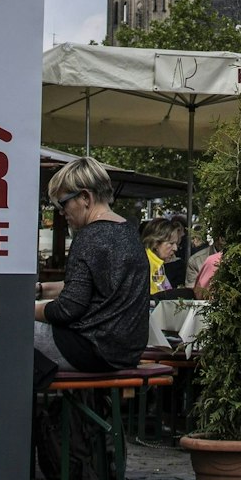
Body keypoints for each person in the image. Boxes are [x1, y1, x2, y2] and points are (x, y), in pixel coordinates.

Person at [33, 157, 150, 379]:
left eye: (63, 203)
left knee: (6, 330)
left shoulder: (89, 236)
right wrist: (42, 289)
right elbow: (93, 287)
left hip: (90, 350)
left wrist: (22, 311)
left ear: (85, 197)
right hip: (126, 353)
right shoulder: (129, 232)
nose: (61, 212)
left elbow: (67, 309)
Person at [143, 217, 180, 294]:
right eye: (171, 243)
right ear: (155, 243)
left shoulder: (157, 263)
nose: (175, 248)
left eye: (176, 243)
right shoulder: (146, 265)